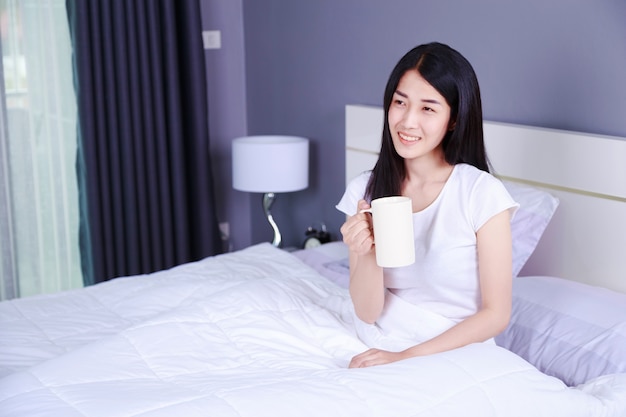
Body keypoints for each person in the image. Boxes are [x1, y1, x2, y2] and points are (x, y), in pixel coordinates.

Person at [336, 42, 519, 369]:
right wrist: (366, 251)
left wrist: (405, 357)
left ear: (453, 119)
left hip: (456, 351)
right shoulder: (365, 190)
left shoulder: (480, 193)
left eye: (428, 108)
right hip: (379, 339)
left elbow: (496, 315)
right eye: (400, 102)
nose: (407, 122)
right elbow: (367, 312)